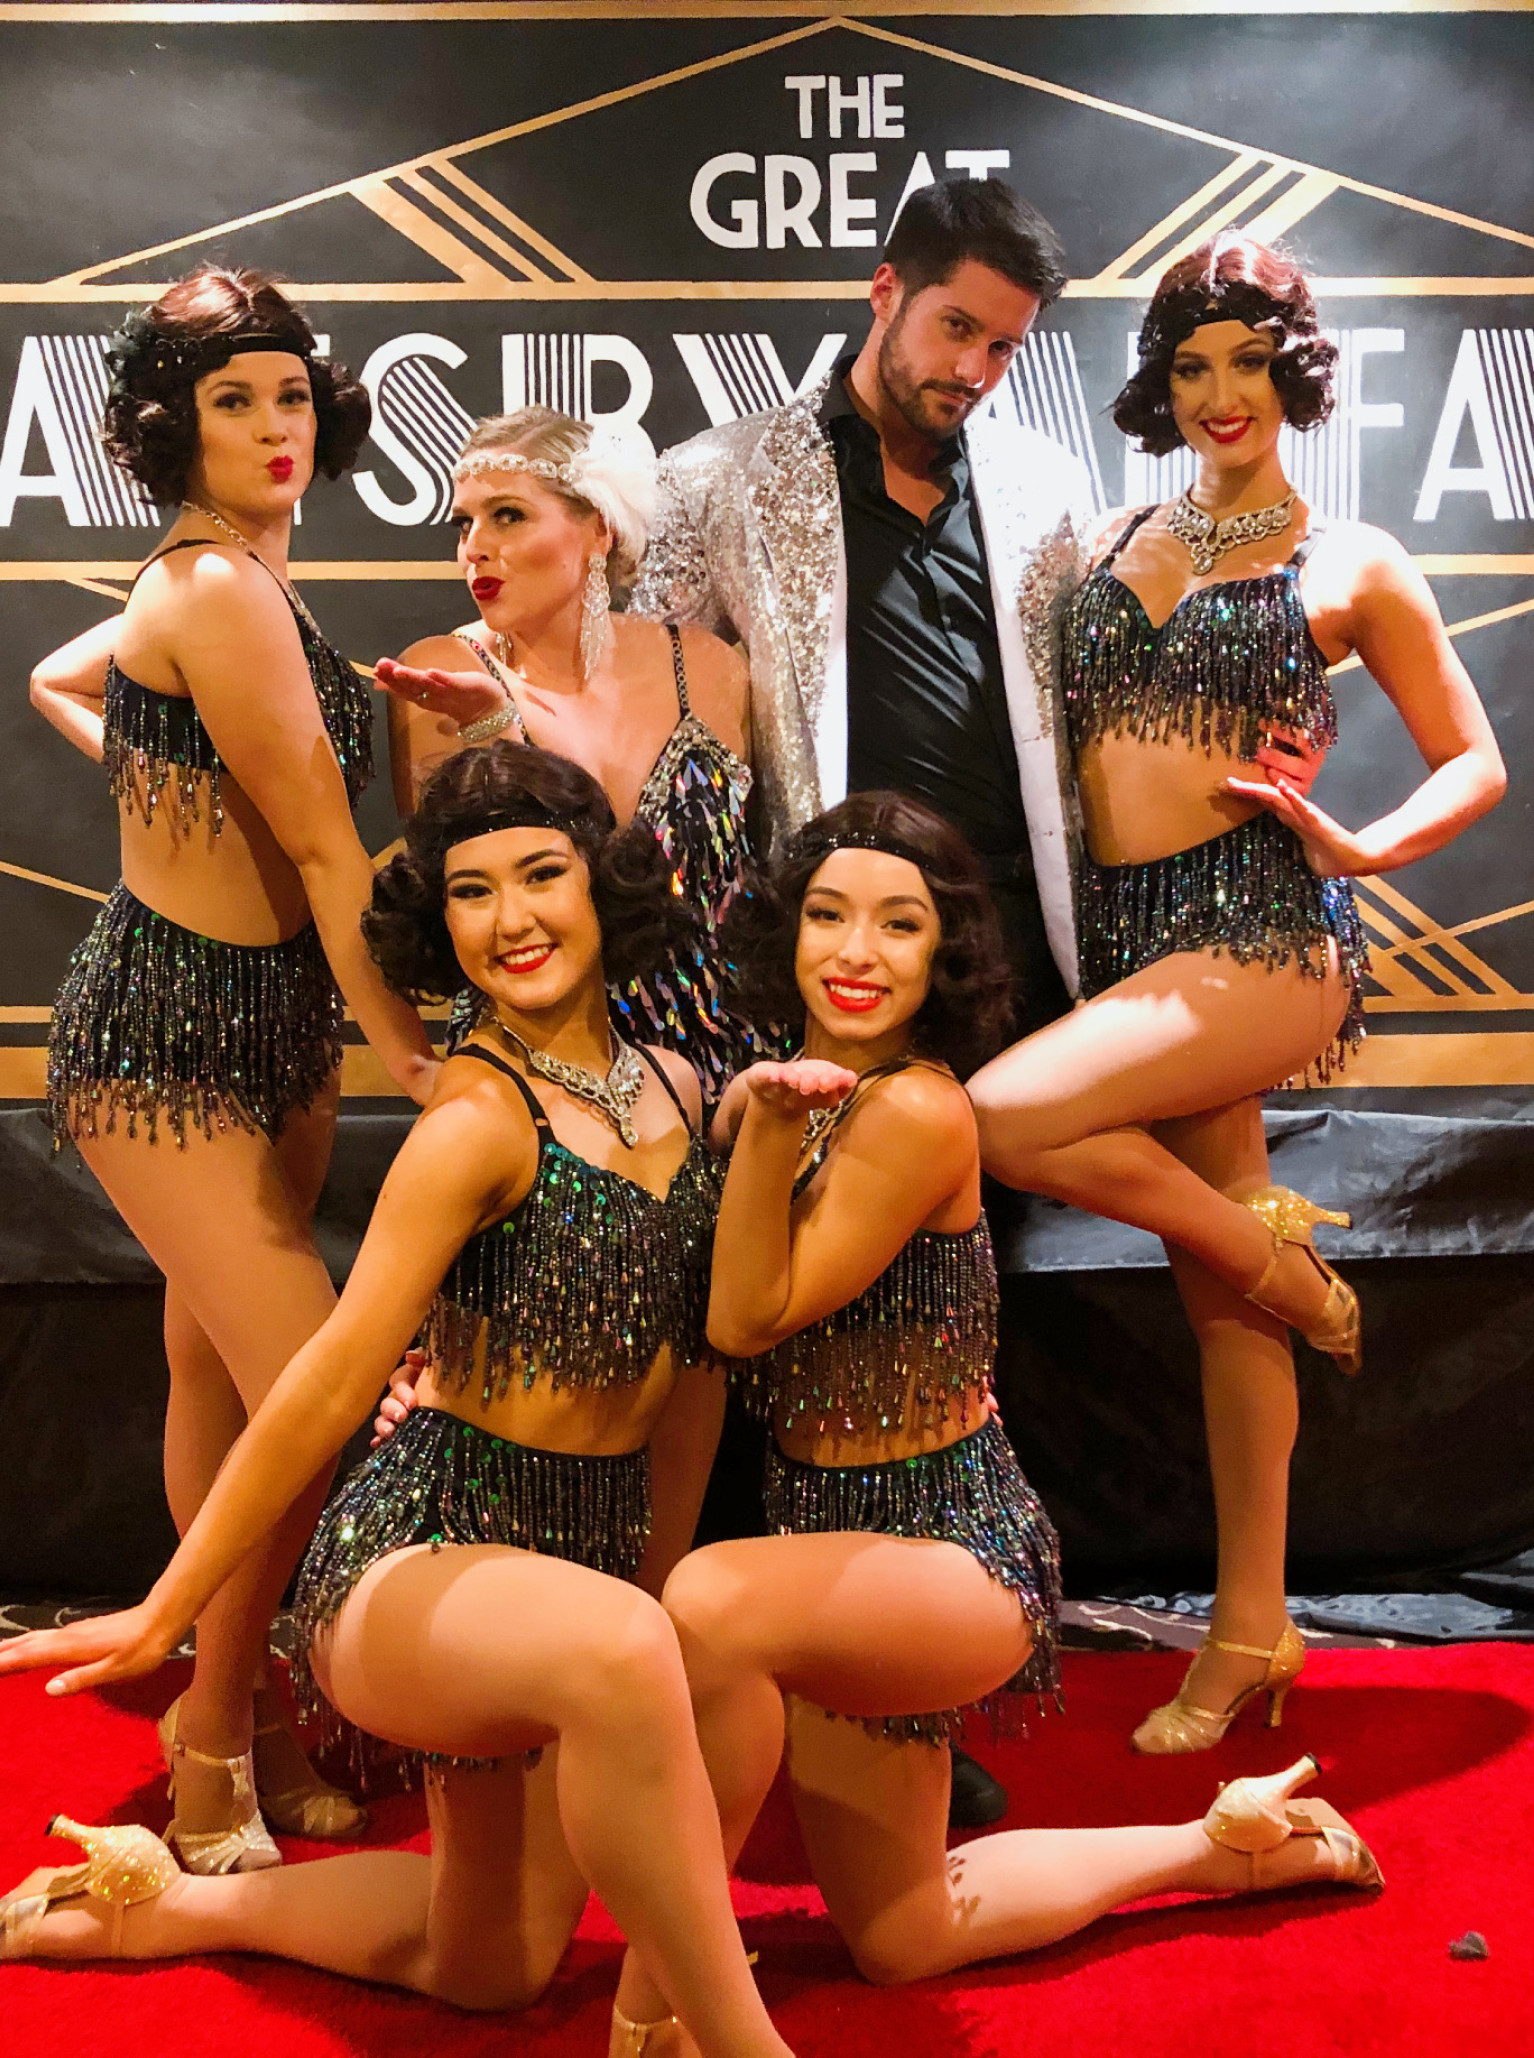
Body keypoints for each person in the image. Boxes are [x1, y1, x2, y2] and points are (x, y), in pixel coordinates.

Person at [0, 744, 795, 2058]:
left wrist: (652, 1575)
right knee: (625, 1647)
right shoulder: (476, 1118)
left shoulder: (675, 1087)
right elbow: (326, 1373)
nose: (510, 918)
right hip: (423, 1557)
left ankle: (165, 1911)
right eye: (473, 893)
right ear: (442, 925)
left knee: (490, 1961)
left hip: (580, 1566)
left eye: (540, 876)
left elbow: (694, 1377)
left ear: (602, 887)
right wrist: (170, 1606)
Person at [606, 791, 1381, 2037]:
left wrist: (758, 1123)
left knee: (705, 1602)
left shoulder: (915, 1109)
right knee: (903, 1935)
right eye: (828, 916)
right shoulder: (789, 1097)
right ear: (786, 932)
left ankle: (661, 2020)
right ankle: (1223, 1846)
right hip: (825, 1552)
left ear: (943, 956)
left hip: (949, 1551)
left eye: (899, 925)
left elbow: (748, 1318)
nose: (857, 953)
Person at [966, 234, 1506, 1751]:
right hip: (1123, 940)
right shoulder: (1108, 534)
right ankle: (1253, 1626)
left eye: (1250, 362)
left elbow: (1475, 758)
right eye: (1194, 364)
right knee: (1221, 1302)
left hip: (1261, 936)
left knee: (1002, 1119)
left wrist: (1362, 841)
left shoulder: (1350, 561)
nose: (1221, 393)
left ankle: (1290, 1272)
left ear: (1294, 373)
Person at [631, 169, 1095, 1824]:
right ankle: (742, 1687)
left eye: (1003, 345)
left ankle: (903, 1695)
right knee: (773, 1333)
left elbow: (1092, 708)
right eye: (954, 326)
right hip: (808, 967)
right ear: (881, 290)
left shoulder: (1044, 484)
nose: (973, 367)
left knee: (938, 1335)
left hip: (988, 977)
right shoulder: (718, 479)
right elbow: (648, 709)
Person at [28, 266, 438, 1869]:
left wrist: (163, 774)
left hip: (273, 1028)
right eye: (233, 401)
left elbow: (85, 686)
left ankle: (252, 1712)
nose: (276, 427)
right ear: (171, 427)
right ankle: (213, 1732)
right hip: (162, 1041)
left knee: (219, 1380)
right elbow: (332, 853)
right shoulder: (212, 586)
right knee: (311, 1399)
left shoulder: (255, 579)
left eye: (289, 396)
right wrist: (412, 1056)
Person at [375, 407, 769, 1108]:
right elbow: (478, 897)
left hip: (732, 1060)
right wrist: (493, 729)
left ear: (599, 529)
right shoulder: (444, 673)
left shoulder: (710, 666)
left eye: (507, 516)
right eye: (463, 524)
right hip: (542, 1071)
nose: (474, 548)